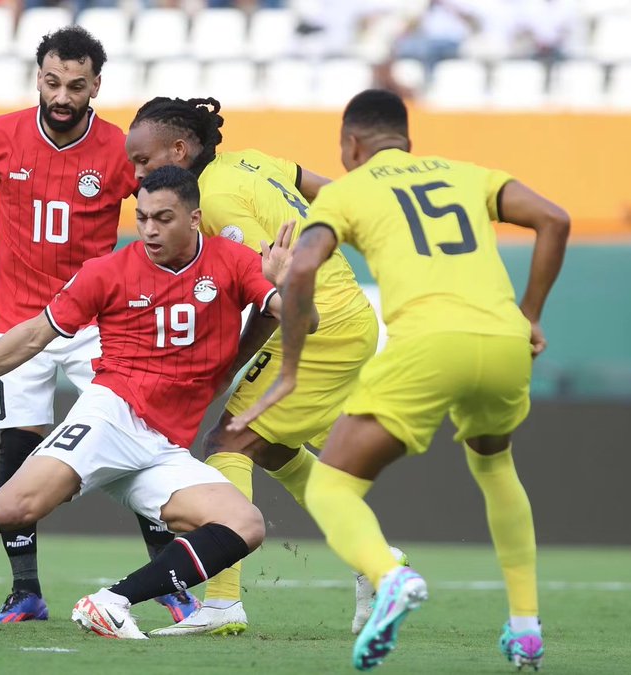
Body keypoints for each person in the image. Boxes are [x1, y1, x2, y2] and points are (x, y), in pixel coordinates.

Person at [0, 166, 317, 639]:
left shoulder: (234, 262)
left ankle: (110, 603)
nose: (150, 230)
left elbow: (303, 324)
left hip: (163, 447)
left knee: (244, 525)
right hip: (112, 416)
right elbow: (31, 337)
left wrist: (289, 286)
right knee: (14, 507)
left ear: (195, 218)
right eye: (142, 217)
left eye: (164, 218)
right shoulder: (108, 272)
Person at [231, 89, 568, 670]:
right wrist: (532, 314)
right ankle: (525, 628)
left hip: (429, 347)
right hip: (505, 342)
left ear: (350, 144)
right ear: (407, 139)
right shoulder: (468, 174)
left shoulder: (349, 191)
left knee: (334, 488)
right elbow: (554, 220)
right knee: (495, 468)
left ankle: (390, 577)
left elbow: (304, 264)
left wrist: (288, 372)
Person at [0, 25, 195, 623]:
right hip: (17, 319)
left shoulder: (119, 150)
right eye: (52, 82)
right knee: (17, 457)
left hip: (98, 321)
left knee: (140, 445)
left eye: (75, 86)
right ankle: (25, 591)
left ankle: (167, 585)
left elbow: (162, 215)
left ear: (96, 86)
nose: (62, 96)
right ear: (38, 78)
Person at [123, 96, 390, 637]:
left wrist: (228, 369)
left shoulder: (217, 202)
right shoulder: (250, 160)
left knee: (229, 443)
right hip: (346, 315)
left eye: (143, 161)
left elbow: (276, 289)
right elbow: (332, 195)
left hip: (321, 323)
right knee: (272, 448)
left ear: (180, 149)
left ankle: (222, 605)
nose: (136, 173)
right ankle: (377, 562)